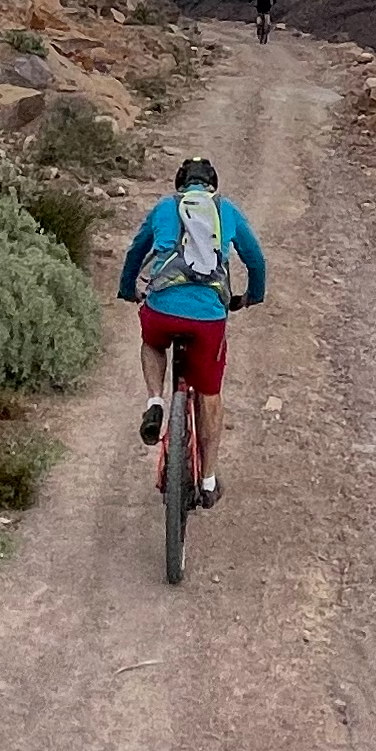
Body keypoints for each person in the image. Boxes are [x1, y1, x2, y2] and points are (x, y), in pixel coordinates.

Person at [120, 154, 266, 509]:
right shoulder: (226, 210)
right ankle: (209, 479)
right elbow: (256, 260)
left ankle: (155, 401)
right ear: (211, 184)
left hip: (163, 309)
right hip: (208, 318)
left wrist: (128, 289)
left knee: (152, 343)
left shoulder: (164, 208)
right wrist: (250, 297)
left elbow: (135, 252)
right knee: (210, 394)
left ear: (180, 183)